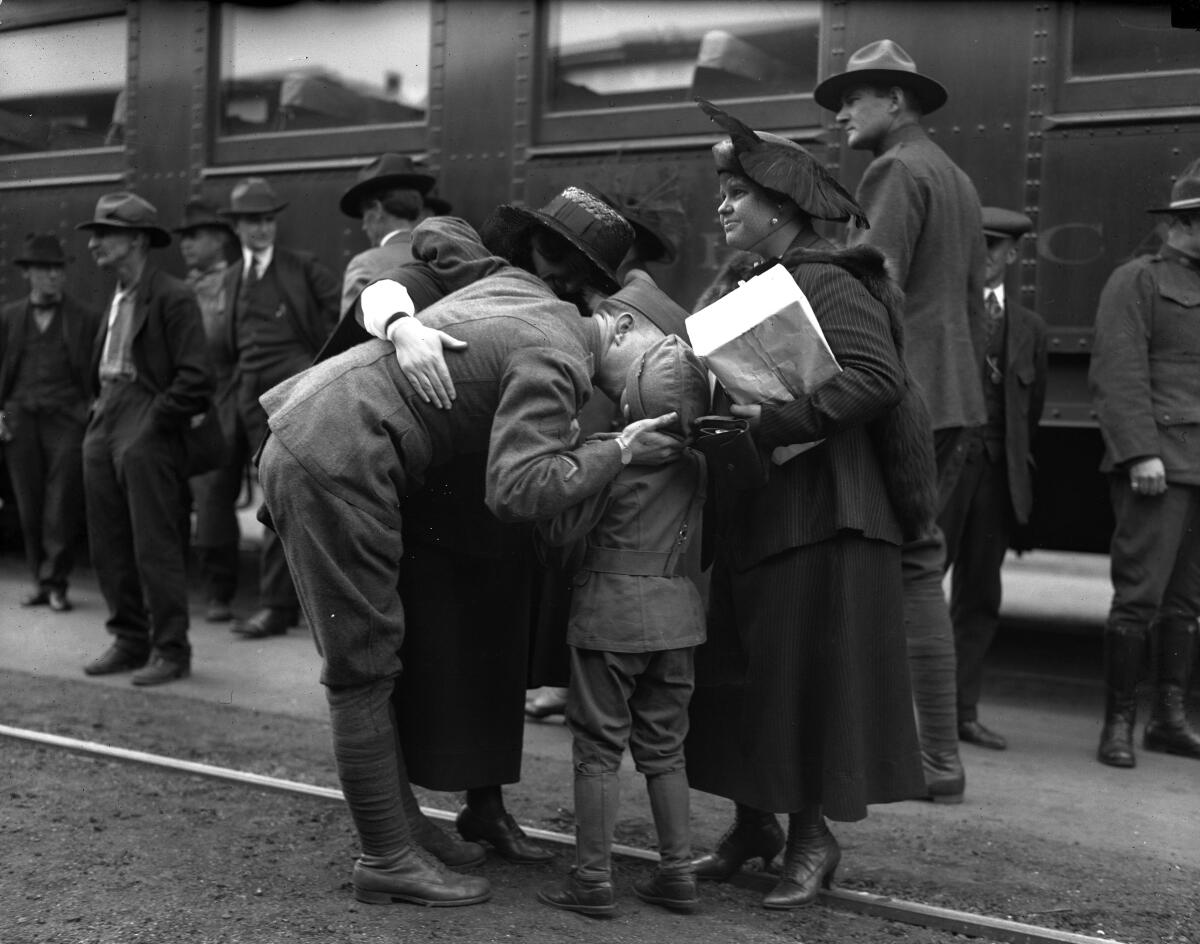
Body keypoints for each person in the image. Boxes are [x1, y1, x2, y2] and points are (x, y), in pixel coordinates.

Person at [255, 214, 683, 907]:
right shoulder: (563, 359)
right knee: (361, 668)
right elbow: (516, 492)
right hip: (340, 459)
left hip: (319, 430)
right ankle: (386, 857)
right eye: (652, 364)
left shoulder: (512, 283)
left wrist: (404, 325)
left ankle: (401, 831)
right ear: (619, 324)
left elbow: (438, 230)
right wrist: (619, 450)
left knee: (372, 661)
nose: (642, 387)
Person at [685, 101, 925, 910]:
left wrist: (774, 419)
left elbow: (877, 379)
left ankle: (813, 840)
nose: (722, 206)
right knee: (749, 675)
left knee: (804, 682)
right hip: (770, 509)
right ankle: (755, 826)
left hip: (826, 516)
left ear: (781, 208)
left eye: (735, 194)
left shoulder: (828, 279)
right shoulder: (756, 282)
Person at [814, 38, 988, 802]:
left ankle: (902, 757)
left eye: (855, 96)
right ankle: (941, 760)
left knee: (895, 567)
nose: (843, 112)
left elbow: (869, 286)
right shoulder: (956, 177)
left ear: (897, 101)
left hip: (905, 398)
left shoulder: (893, 170)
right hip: (954, 399)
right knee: (923, 566)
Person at [536, 333, 709, 918]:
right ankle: (678, 875)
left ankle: (592, 881)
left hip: (608, 615)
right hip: (677, 618)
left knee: (598, 750)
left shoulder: (613, 454)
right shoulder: (700, 461)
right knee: (666, 751)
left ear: (632, 399)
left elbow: (558, 532)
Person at [524, 180, 694, 722]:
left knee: (579, 537)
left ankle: (571, 679)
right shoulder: (645, 306)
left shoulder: (611, 317)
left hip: (605, 428)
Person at [1089, 158, 1200, 768]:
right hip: (1155, 468)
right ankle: (1118, 725)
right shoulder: (1138, 281)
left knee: (1186, 604)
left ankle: (1169, 721)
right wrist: (1140, 453)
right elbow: (1118, 373)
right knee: (1139, 597)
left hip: (1199, 471)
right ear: (1185, 223)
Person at [77, 192, 213, 686]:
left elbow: (197, 377)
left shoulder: (173, 295)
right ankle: (129, 640)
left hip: (144, 420)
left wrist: (152, 424)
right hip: (107, 414)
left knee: (154, 542)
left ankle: (171, 650)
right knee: (108, 540)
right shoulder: (115, 296)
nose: (94, 243)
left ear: (136, 240)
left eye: (104, 234)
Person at [940, 207, 1047, 751]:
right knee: (909, 585)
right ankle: (892, 716)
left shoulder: (1029, 329)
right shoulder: (945, 317)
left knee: (979, 596)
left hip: (996, 478)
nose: (983, 257)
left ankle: (962, 714)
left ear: (1012, 254)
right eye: (975, 245)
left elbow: (1029, 416)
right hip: (945, 472)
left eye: (994, 248)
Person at [220, 176, 340, 640]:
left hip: (295, 398)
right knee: (275, 498)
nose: (262, 229)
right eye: (253, 222)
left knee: (285, 497)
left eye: (268, 220)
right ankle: (283, 606)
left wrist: (318, 378)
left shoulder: (302, 269)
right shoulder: (232, 279)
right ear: (238, 228)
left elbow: (340, 320)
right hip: (252, 404)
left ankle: (278, 606)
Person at [0, 234, 100, 613]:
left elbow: (94, 372)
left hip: (66, 420)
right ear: (27, 274)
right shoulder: (9, 317)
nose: (53, 277)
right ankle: (38, 582)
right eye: (44, 270)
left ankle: (57, 582)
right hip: (20, 419)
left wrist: (88, 408)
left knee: (61, 505)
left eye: (58, 270)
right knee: (29, 505)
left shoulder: (84, 318)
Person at [175, 198, 242, 623]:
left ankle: (218, 589)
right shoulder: (186, 287)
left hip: (222, 399)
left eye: (195, 237)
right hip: (185, 399)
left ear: (219, 240)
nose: (186, 246)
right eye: (184, 238)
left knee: (214, 495)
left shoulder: (230, 285)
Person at [338, 152, 436, 321]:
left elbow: (350, 340)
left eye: (364, 215)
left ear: (376, 210)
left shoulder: (366, 265)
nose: (363, 226)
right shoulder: (440, 255)